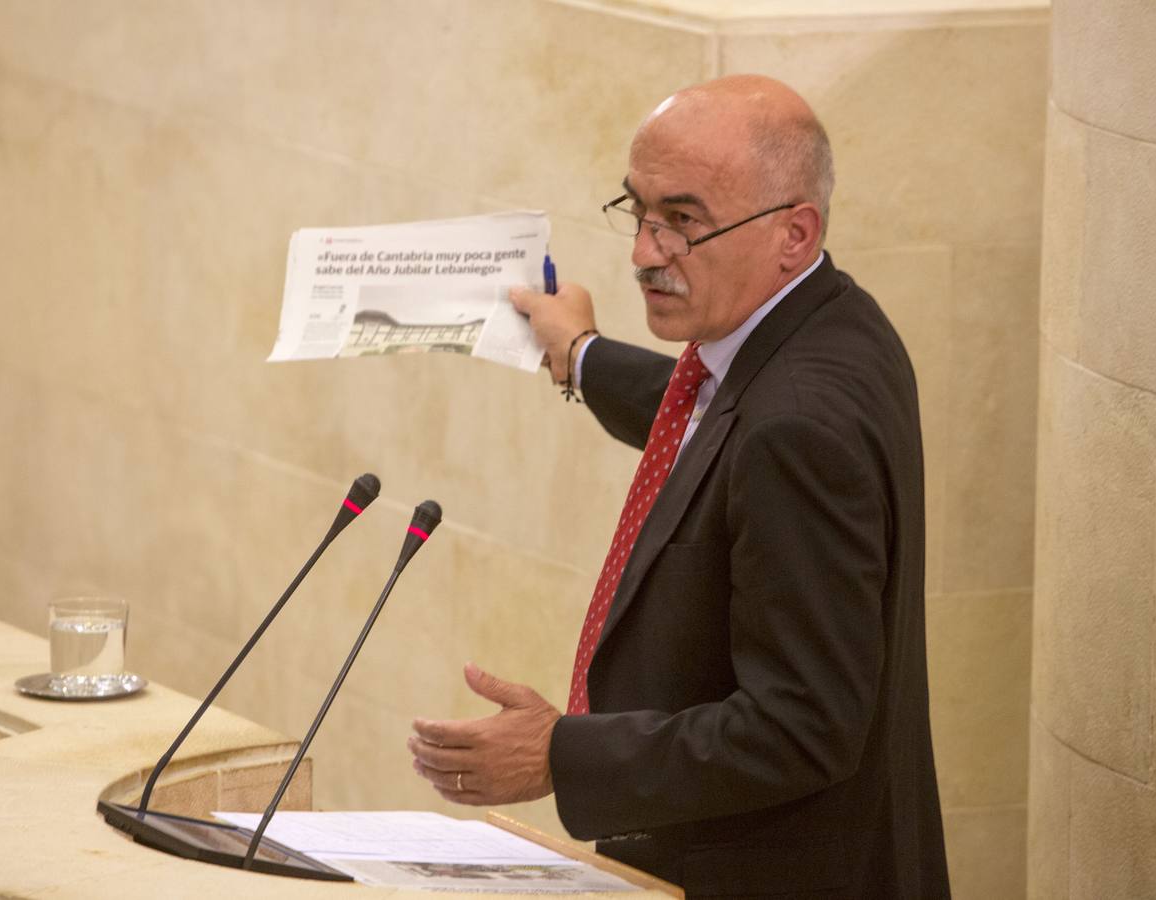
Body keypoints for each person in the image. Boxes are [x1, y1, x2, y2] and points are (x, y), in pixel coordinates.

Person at [407, 74, 950, 898]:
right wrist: (580, 353)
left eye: (684, 222)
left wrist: (557, 753)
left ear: (792, 234)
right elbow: (706, 417)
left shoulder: (797, 429)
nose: (643, 253)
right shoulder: (834, 325)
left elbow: (802, 727)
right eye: (639, 211)